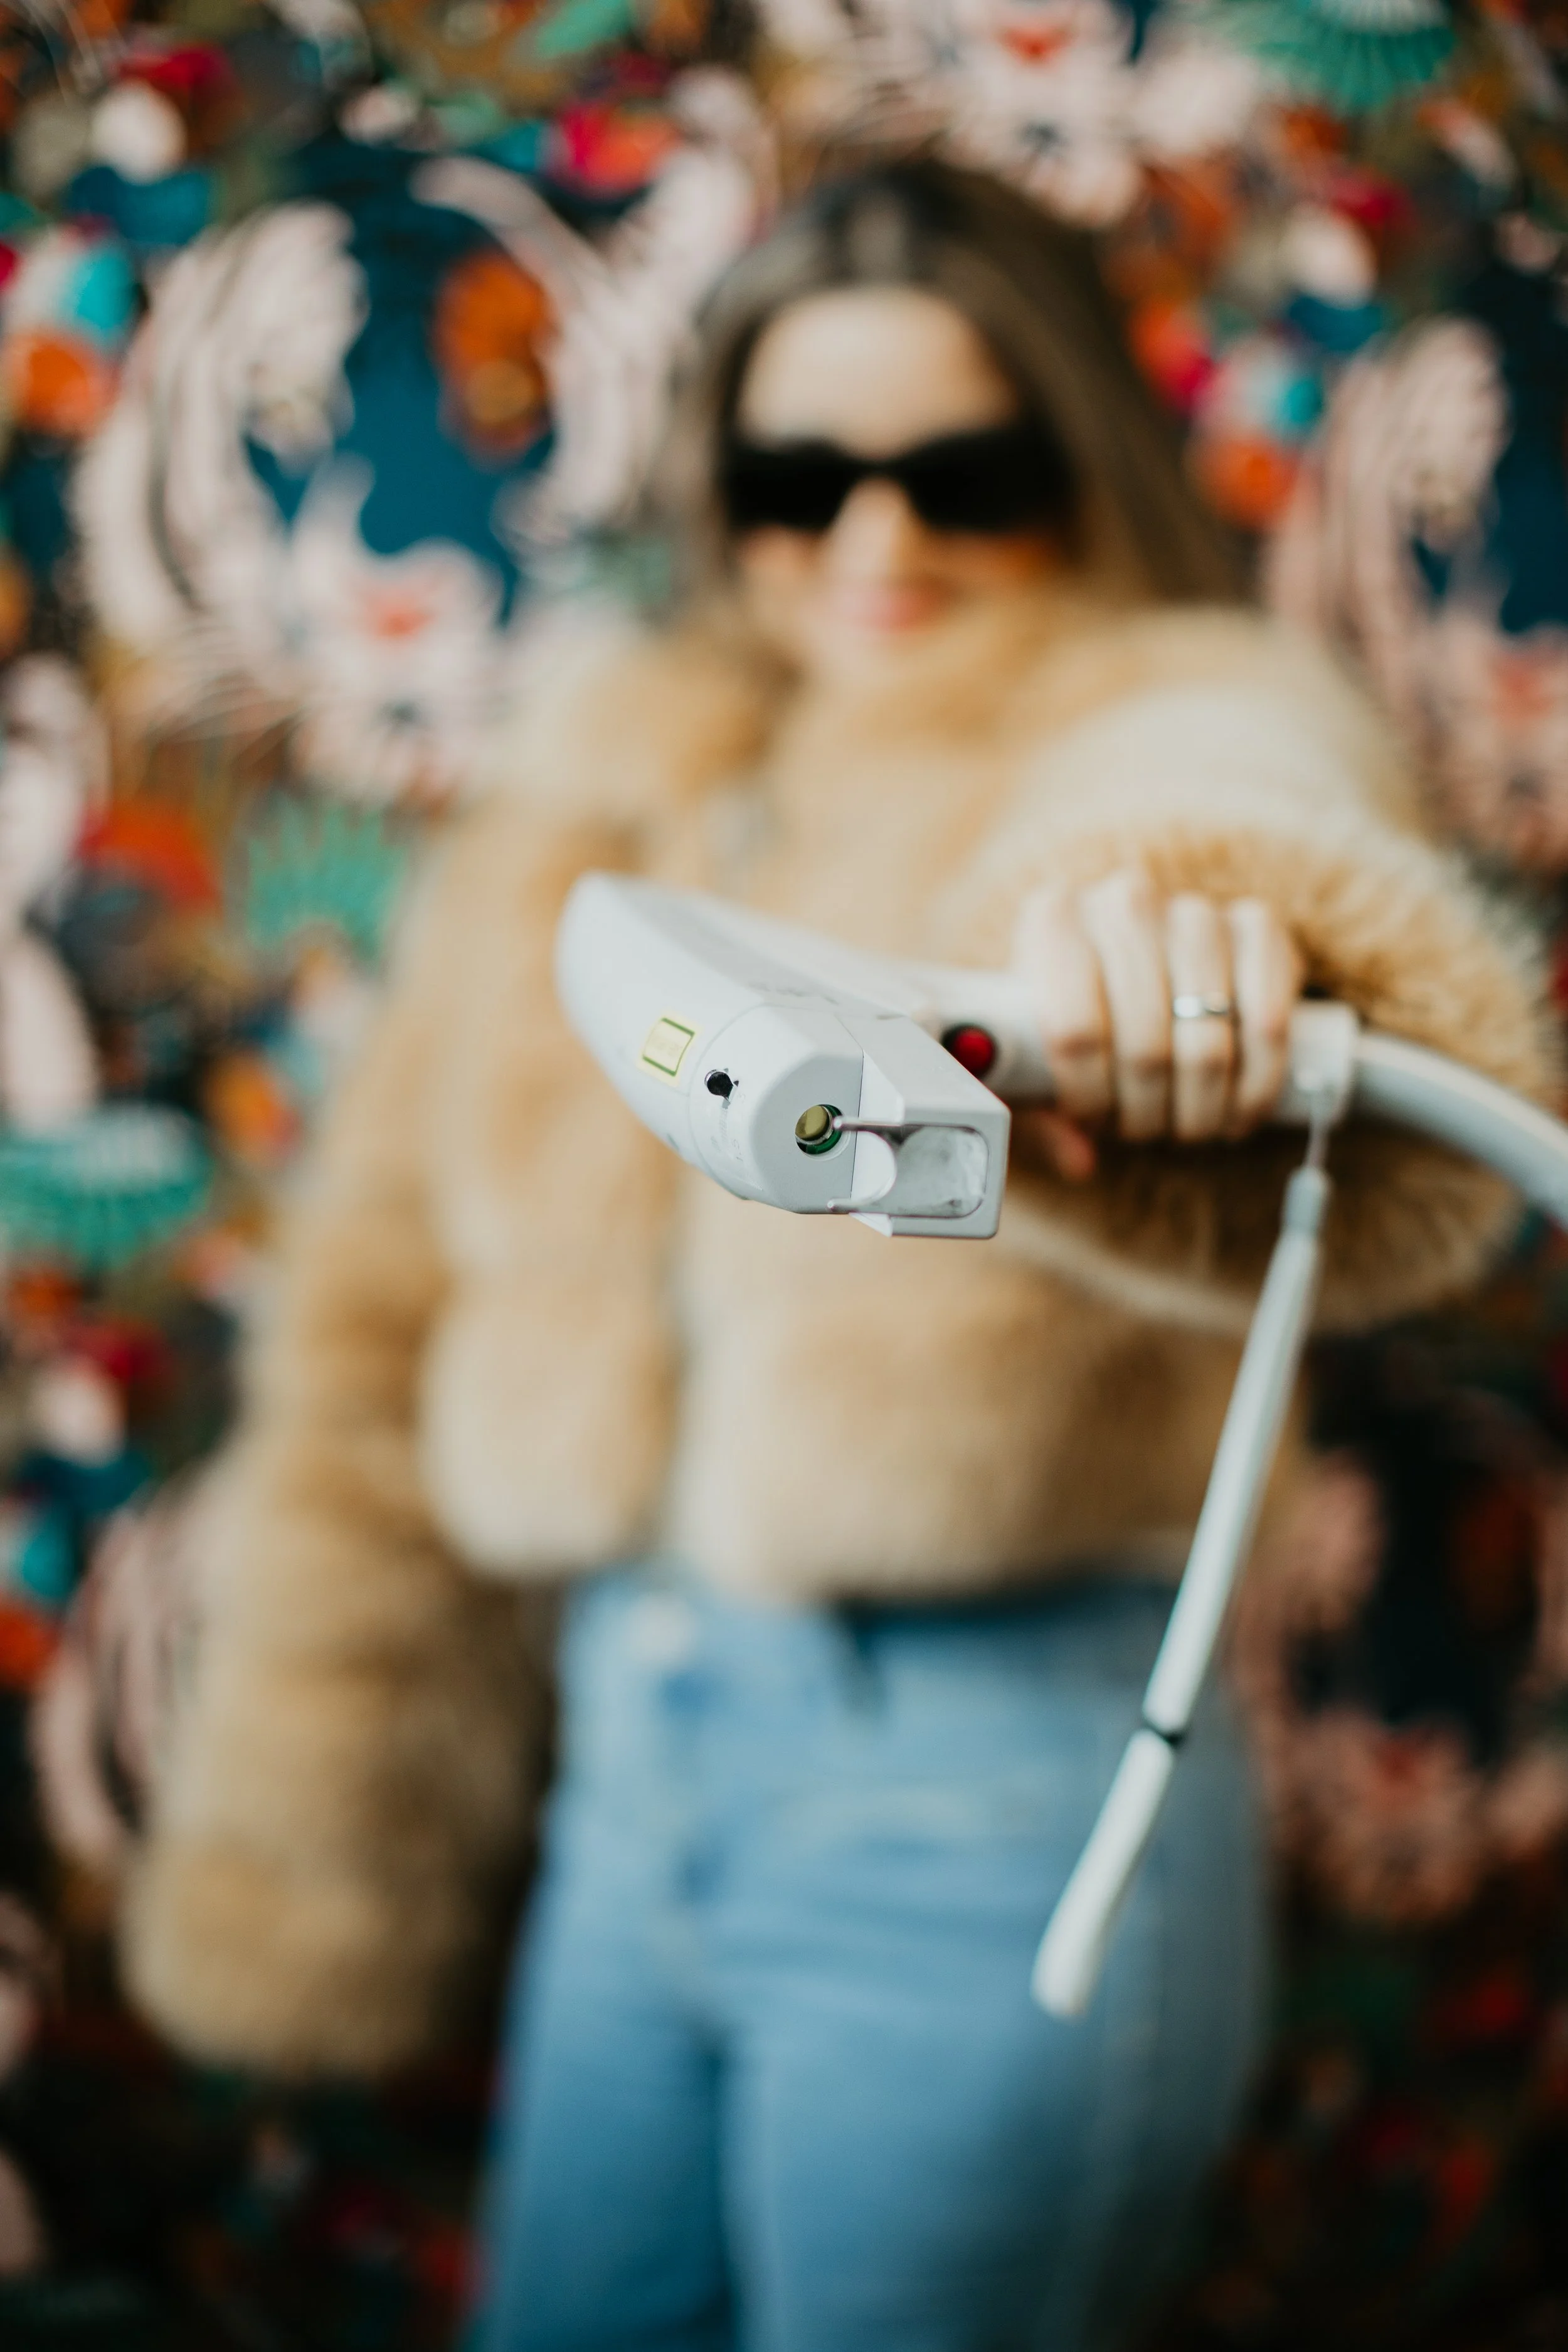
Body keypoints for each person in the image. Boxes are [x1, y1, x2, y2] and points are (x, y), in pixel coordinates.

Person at [122, 161, 1553, 2351]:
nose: (874, 544)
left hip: (978, 1798)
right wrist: (317, 1842)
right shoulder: (605, 791)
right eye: (802, 479)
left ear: (1065, 458)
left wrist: (1186, 942)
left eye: (954, 469)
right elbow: (378, 1325)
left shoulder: (1151, 714)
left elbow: (1242, 818)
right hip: (633, 1770)